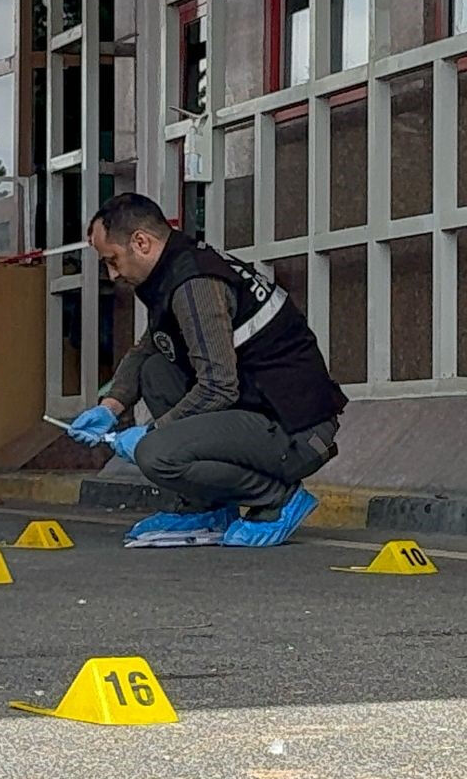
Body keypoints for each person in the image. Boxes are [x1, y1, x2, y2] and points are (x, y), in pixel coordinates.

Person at [68, 193, 348, 548]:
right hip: (260, 409)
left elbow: (218, 387)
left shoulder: (195, 284)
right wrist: (110, 408)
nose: (113, 273)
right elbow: (148, 348)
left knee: (157, 455)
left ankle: (276, 499)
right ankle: (208, 506)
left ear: (141, 242)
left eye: (113, 260)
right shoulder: (174, 269)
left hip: (297, 430)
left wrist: (153, 433)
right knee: (155, 370)